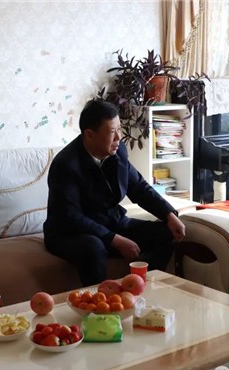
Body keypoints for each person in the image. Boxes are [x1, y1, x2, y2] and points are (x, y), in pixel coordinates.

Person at [44, 99, 186, 286]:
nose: (119, 137)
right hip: (70, 233)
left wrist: (168, 214)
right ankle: (101, 301)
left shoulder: (117, 151)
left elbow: (138, 187)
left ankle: (139, 287)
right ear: (89, 134)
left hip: (112, 222)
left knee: (165, 233)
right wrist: (114, 239)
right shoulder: (66, 164)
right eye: (112, 132)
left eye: (119, 129)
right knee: (93, 247)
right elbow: (71, 217)